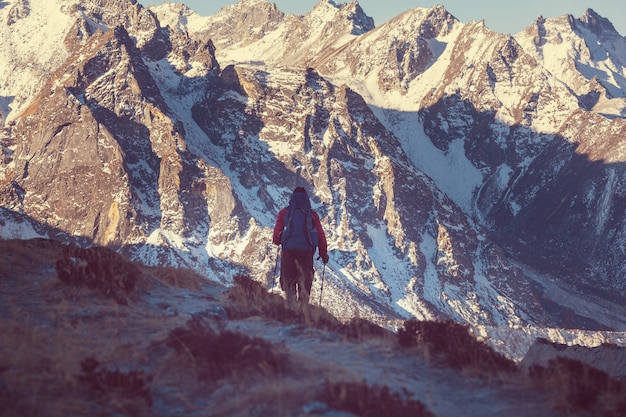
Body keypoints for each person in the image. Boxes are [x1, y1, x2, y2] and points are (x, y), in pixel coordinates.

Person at [273, 187, 328, 307]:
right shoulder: (312, 215)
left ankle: (291, 316)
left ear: (292, 198)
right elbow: (320, 236)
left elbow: (276, 239)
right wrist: (323, 254)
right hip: (306, 257)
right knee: (304, 291)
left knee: (290, 292)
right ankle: (304, 316)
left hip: (288, 257)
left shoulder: (284, 213)